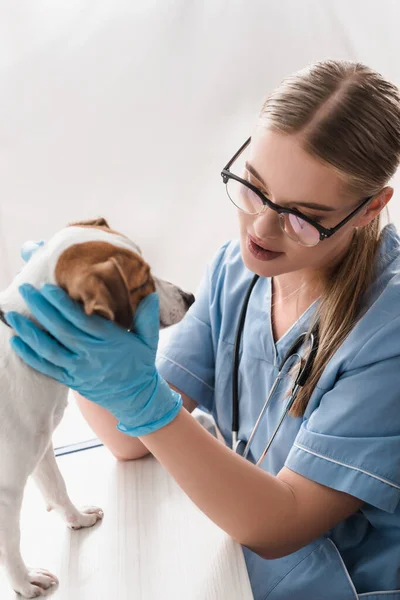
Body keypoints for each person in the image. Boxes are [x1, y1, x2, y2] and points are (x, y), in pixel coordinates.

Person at [6, 59, 400, 599]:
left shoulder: (388, 330)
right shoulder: (237, 272)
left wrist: (141, 398)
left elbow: (279, 526)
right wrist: (84, 336)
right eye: (253, 187)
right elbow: (128, 441)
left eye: (303, 216)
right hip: (234, 563)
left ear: (369, 208)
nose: (261, 228)